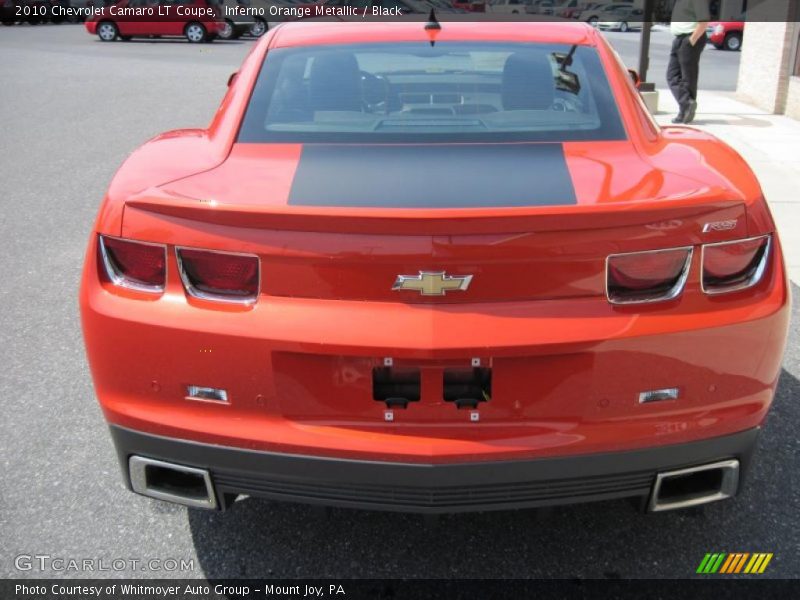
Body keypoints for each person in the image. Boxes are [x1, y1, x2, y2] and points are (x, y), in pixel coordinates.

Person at [667, 0, 711, 124]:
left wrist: (692, 40)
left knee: (688, 78)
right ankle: (687, 105)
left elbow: (703, 21)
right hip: (679, 39)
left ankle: (684, 112)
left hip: (690, 38)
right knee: (672, 76)